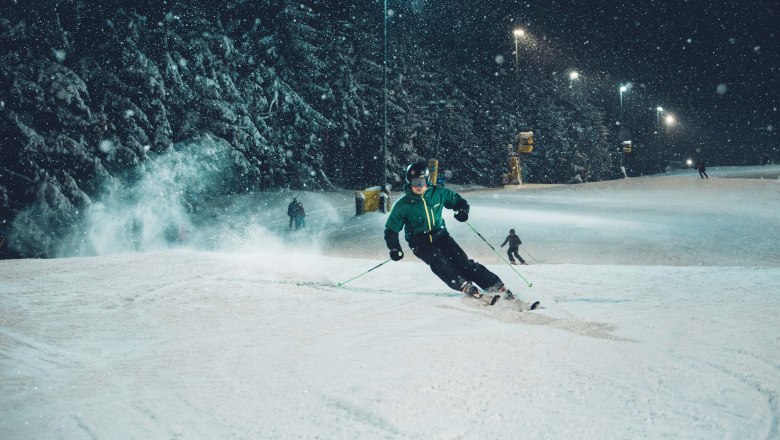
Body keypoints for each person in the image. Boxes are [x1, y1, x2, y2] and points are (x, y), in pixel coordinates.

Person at [383, 161, 514, 303]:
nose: (418, 186)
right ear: (409, 182)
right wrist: (394, 248)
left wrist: (462, 211)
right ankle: (464, 285)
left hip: (441, 235)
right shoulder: (403, 204)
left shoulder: (438, 193)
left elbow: (458, 201)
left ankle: (494, 285)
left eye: (421, 181)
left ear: (427, 180)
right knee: (438, 260)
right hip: (419, 241)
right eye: (415, 182)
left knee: (462, 262)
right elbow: (391, 229)